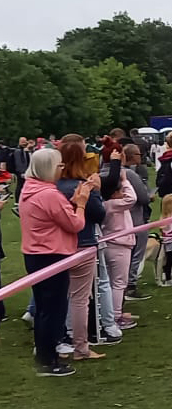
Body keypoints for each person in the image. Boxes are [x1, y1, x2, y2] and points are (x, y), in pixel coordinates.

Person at [19, 147, 92, 376]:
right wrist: (81, 203)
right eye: (59, 165)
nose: (62, 169)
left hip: (34, 255)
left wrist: (70, 205)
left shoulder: (29, 189)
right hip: (51, 256)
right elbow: (75, 224)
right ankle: (48, 360)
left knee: (44, 309)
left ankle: (45, 354)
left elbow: (53, 216)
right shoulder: (49, 194)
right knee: (53, 310)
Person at [56, 135, 106, 360]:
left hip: (55, 247)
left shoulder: (52, 187)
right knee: (79, 300)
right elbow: (99, 215)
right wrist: (96, 192)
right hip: (82, 244)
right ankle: (80, 347)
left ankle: (56, 342)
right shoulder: (83, 187)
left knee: (54, 298)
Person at [100, 159, 138, 331]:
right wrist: (125, 181)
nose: (123, 193)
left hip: (110, 245)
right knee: (119, 283)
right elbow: (132, 198)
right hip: (119, 246)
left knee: (109, 282)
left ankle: (110, 314)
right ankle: (115, 316)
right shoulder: (113, 204)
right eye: (120, 191)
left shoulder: (108, 204)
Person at [123, 144, 153, 300]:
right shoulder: (130, 174)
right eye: (138, 154)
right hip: (135, 218)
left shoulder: (106, 172)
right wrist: (149, 196)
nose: (140, 157)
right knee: (136, 253)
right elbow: (143, 197)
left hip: (118, 221)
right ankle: (131, 285)